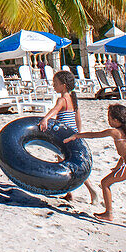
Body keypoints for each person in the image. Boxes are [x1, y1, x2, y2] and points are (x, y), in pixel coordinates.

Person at [65, 104, 126, 234]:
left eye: (110, 118)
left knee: (105, 183)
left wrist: (77, 135)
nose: (108, 120)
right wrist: (118, 167)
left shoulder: (115, 132)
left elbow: (95, 135)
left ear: (116, 120)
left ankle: (108, 213)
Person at [38, 70, 99, 204]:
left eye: (56, 83)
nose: (53, 86)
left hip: (64, 137)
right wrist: (79, 134)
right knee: (67, 162)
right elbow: (78, 118)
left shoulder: (63, 99)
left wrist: (45, 119)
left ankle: (91, 190)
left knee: (67, 164)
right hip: (72, 135)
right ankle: (69, 193)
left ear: (64, 85)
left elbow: (55, 109)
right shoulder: (73, 98)